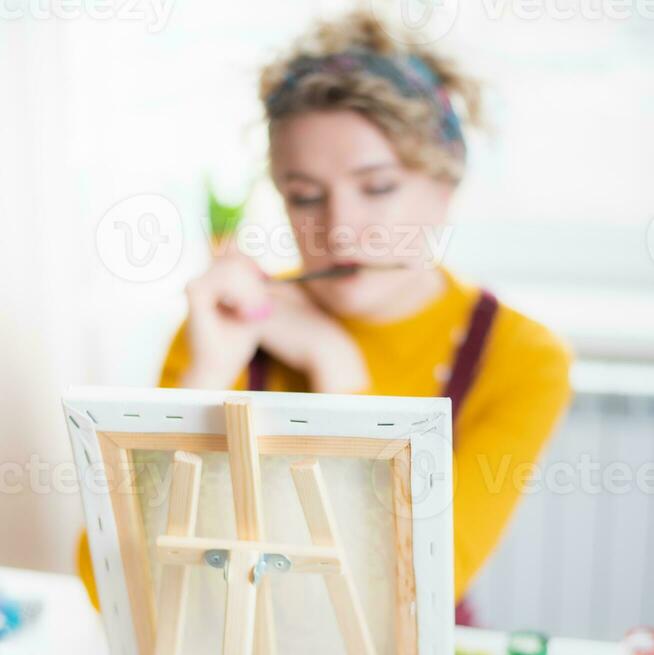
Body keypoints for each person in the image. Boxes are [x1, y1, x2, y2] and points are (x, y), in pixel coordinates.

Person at [78, 8, 572, 621]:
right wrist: (205, 373)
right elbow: (107, 585)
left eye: (378, 187)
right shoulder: (233, 324)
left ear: (445, 185)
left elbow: (407, 596)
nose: (339, 230)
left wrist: (337, 369)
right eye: (305, 196)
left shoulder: (523, 358)